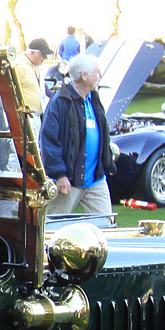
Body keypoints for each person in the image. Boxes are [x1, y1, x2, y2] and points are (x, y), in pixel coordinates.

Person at [39, 54, 114, 216]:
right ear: (84, 76)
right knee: (53, 225)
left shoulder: (94, 97)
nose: (99, 76)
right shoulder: (60, 102)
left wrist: (107, 161)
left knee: (106, 223)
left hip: (96, 179)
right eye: (96, 72)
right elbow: (48, 141)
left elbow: (101, 132)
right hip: (69, 180)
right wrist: (59, 175)